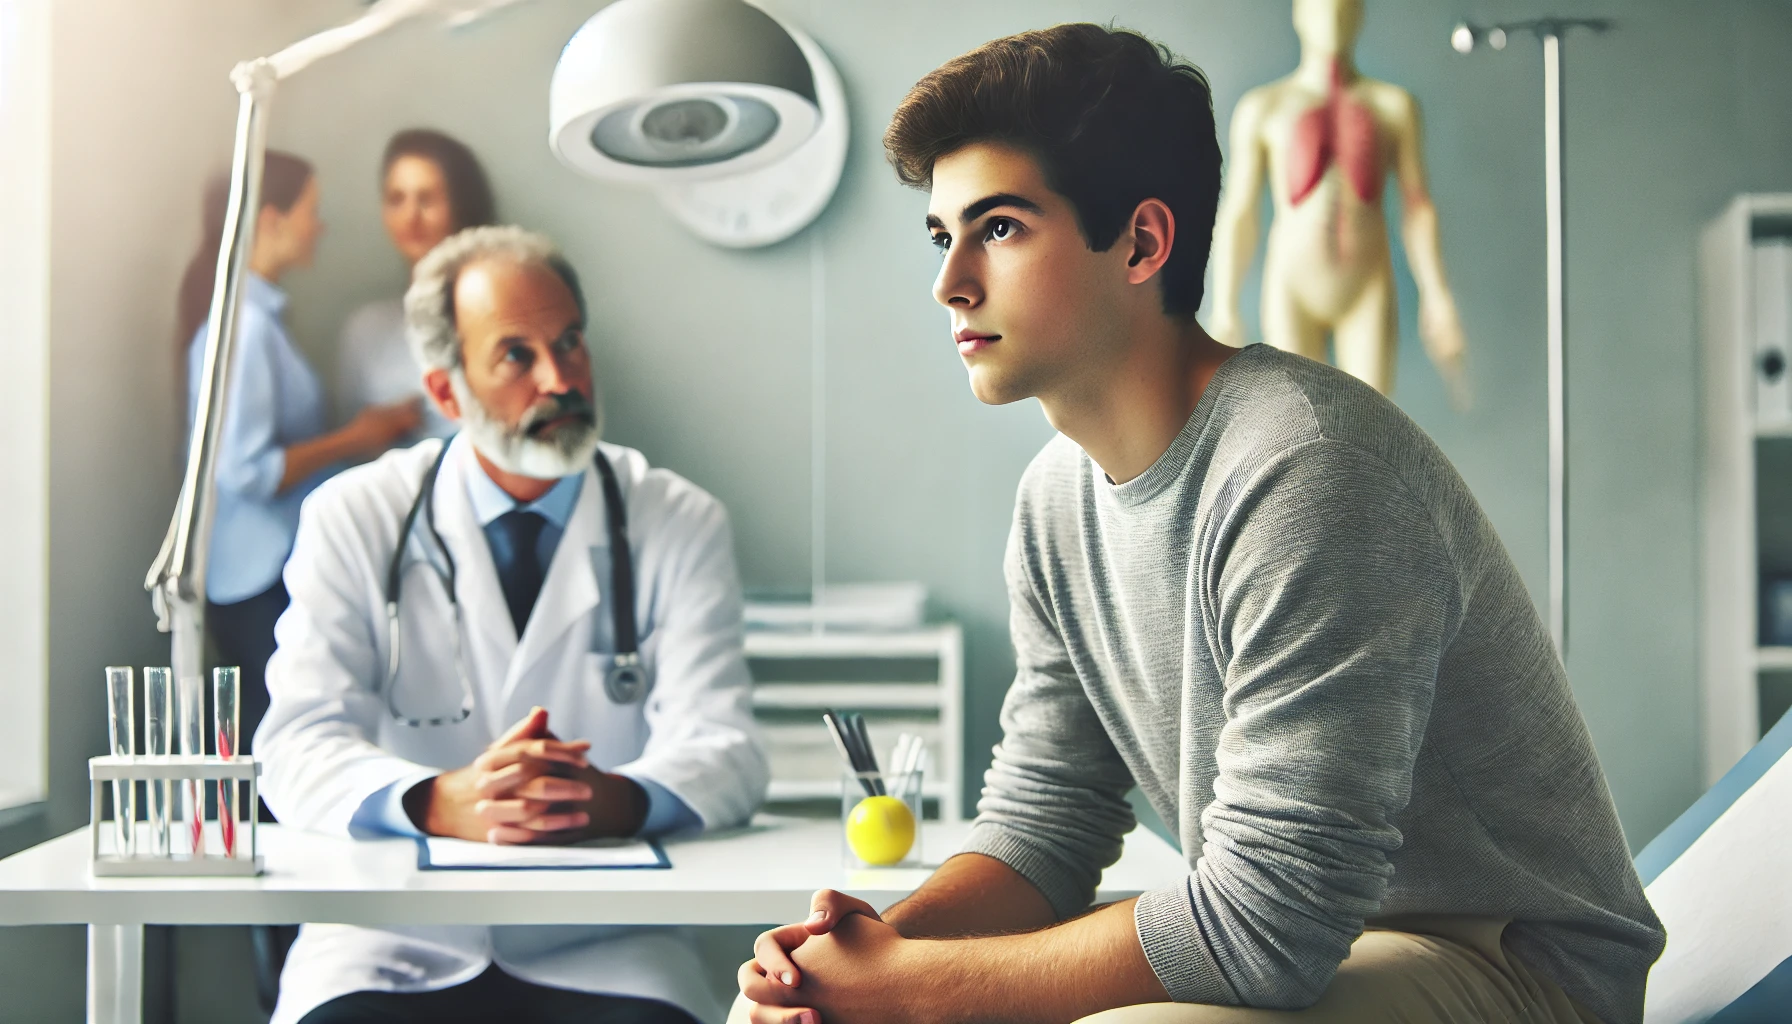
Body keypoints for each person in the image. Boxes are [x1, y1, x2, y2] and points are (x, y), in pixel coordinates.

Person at [738, 24, 1662, 1024]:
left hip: (1513, 966)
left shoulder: (1308, 468)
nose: (949, 280)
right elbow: (1044, 824)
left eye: (998, 228)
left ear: (1141, 241)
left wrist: (918, 991)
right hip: (1309, 937)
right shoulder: (1056, 499)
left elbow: (1270, 922)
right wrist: (861, 955)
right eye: (941, 234)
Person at [255, 225, 767, 1024]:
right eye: (516, 356)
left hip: (606, 944)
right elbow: (295, 743)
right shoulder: (353, 516)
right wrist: (438, 800)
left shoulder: (676, 520)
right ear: (448, 392)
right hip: (389, 941)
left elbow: (726, 748)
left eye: (570, 343)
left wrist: (608, 801)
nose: (561, 379)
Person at [177, 151, 421, 761]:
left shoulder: (257, 322)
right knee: (278, 745)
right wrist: (360, 436)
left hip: (260, 574)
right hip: (255, 578)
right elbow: (244, 469)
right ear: (272, 220)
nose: (320, 228)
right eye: (312, 213)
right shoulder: (247, 328)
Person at [1208, 0, 1469, 406]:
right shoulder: (1264, 108)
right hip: (1292, 284)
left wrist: (1438, 295)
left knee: (1371, 422)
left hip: (1366, 285)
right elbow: (1239, 212)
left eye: (1345, 7)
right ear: (1298, 13)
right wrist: (1224, 305)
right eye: (1320, 7)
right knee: (1296, 421)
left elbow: (1417, 208)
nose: (1333, 17)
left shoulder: (1394, 107)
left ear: (1360, 13)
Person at [337, 129, 497, 442]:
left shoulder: (499, 317)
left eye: (427, 200)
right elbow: (354, 451)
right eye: (397, 199)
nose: (410, 217)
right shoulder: (366, 330)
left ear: (461, 206)